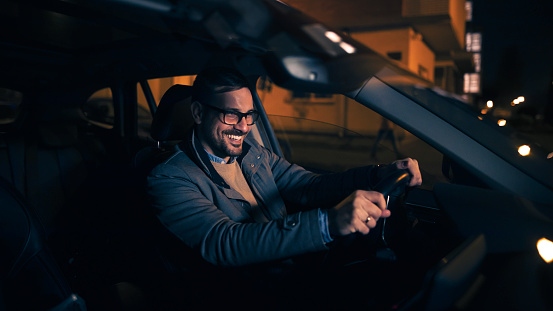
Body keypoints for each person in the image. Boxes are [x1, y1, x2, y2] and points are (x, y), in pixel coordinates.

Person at [146, 67, 422, 310]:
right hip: (248, 294)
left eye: (249, 115)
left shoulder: (253, 154)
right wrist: (328, 223)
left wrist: (377, 175)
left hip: (294, 271)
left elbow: (308, 186)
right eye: (231, 115)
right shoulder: (170, 178)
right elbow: (224, 242)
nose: (243, 127)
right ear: (197, 112)